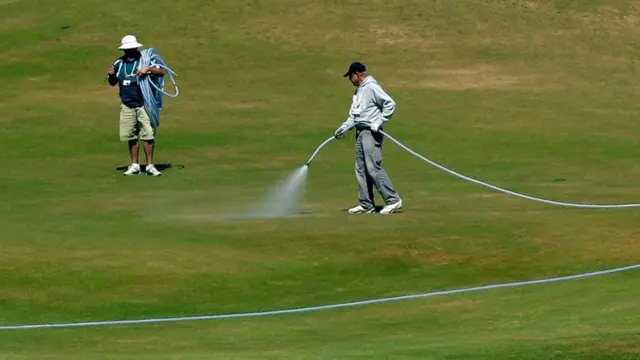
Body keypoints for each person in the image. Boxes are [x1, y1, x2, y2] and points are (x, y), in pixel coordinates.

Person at [334, 61, 404, 214]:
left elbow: (389, 104)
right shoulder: (358, 92)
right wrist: (344, 127)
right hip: (359, 133)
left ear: (357, 74)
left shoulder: (372, 87)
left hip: (371, 133)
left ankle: (393, 200)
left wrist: (378, 121)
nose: (349, 80)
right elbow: (354, 116)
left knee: (373, 167)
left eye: (350, 76)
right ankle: (366, 204)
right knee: (360, 169)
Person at [107, 35, 164, 176]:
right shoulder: (119, 63)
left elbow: (161, 72)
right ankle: (135, 165)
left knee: (148, 135)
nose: (129, 51)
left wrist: (148, 69)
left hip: (144, 103)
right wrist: (111, 75)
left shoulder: (146, 60)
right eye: (127, 49)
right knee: (131, 135)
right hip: (127, 103)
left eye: (131, 49)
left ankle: (150, 165)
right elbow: (113, 82)